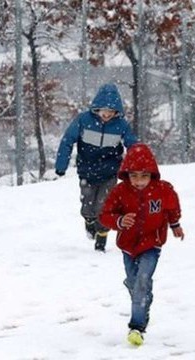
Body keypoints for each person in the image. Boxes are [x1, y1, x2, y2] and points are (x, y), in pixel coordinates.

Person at [98, 143, 184, 346]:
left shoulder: (163, 190)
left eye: (144, 176)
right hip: (128, 245)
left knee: (142, 280)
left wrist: (175, 224)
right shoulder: (120, 191)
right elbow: (105, 215)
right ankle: (142, 297)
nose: (138, 181)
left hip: (152, 243)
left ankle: (136, 327)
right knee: (134, 282)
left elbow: (172, 207)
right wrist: (119, 221)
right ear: (126, 175)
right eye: (134, 176)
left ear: (152, 175)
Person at [55, 83, 138, 252]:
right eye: (103, 110)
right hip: (87, 170)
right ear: (96, 108)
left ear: (117, 111)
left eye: (111, 111)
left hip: (109, 172)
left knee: (104, 206)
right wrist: (61, 165)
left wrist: (137, 166)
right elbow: (67, 141)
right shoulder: (83, 120)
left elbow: (133, 145)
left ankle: (102, 236)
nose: (107, 114)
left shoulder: (121, 125)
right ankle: (89, 221)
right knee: (88, 205)